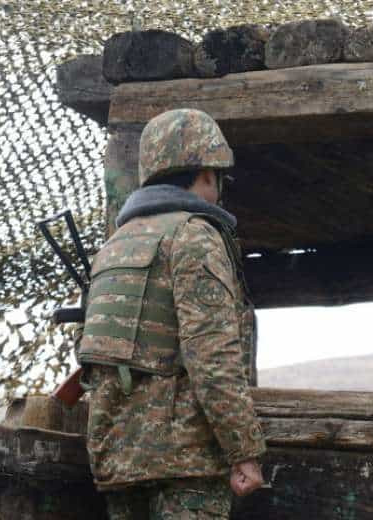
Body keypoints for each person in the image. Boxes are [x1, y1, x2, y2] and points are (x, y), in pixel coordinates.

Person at [77, 108, 266, 519]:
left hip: (117, 462)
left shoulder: (113, 247)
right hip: (185, 463)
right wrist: (244, 450)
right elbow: (212, 357)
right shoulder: (193, 235)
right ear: (206, 174)